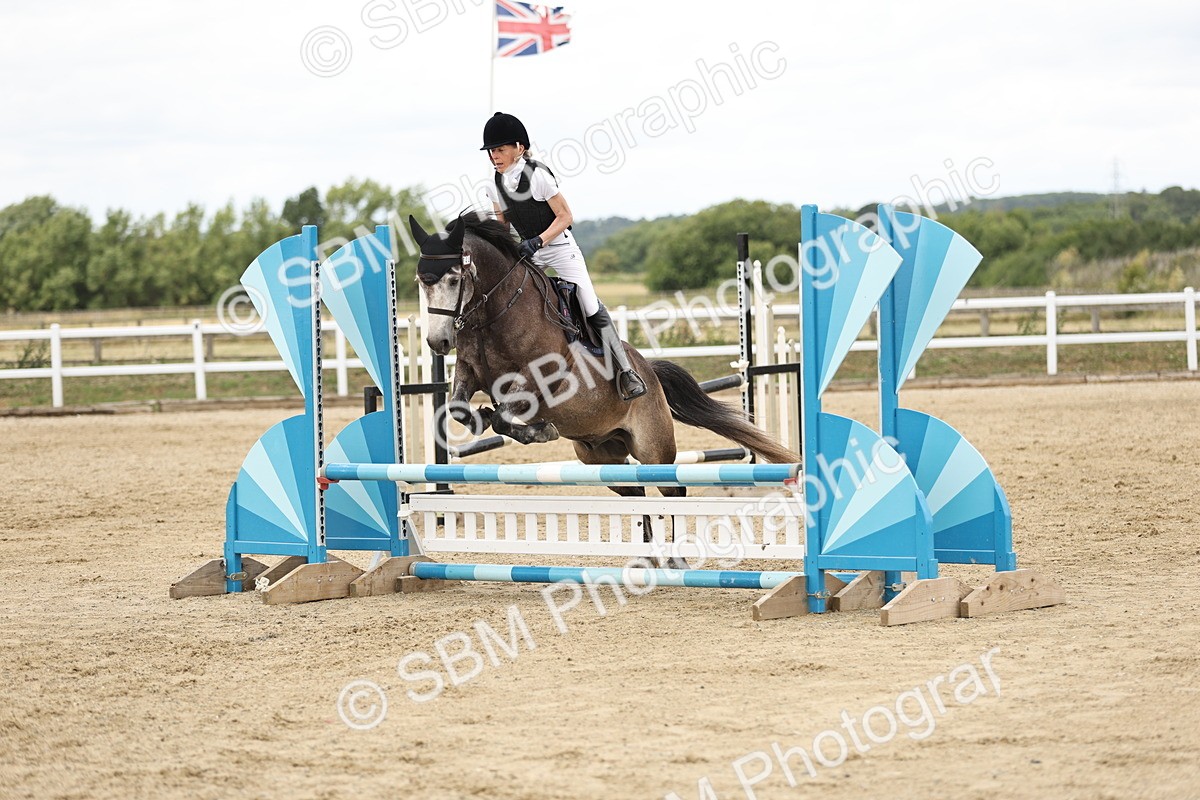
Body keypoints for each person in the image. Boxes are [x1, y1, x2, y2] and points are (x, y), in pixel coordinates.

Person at [480, 111, 647, 401]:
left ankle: (625, 371)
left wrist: (538, 241)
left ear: (519, 148)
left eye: (500, 149)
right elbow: (502, 225)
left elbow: (565, 216)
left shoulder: (538, 176)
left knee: (589, 303)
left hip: (559, 249)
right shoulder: (492, 183)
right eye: (492, 151)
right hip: (527, 253)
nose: (495, 156)